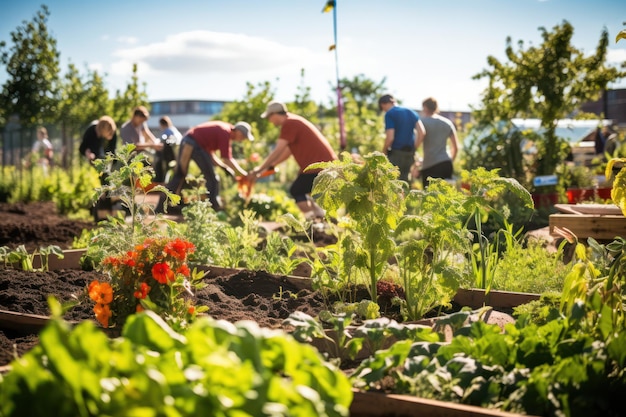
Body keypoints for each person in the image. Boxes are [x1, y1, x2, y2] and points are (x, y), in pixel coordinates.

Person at [248, 101, 338, 220]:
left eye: (269, 117)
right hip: (325, 165)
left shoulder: (289, 123)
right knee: (306, 191)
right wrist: (269, 167)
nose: (270, 121)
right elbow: (287, 153)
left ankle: (312, 222)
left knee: (296, 190)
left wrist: (258, 169)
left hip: (320, 166)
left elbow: (278, 150)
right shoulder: (294, 122)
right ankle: (321, 218)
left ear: (275, 114)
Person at [156, 120, 254, 212]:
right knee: (212, 178)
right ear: (238, 132)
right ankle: (213, 207)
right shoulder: (225, 133)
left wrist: (224, 167)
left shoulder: (224, 129)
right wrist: (244, 174)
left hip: (188, 141)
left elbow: (211, 155)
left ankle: (163, 205)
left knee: (180, 175)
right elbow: (227, 159)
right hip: (193, 143)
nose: (242, 139)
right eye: (243, 137)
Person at [378, 94, 425, 183]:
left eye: (382, 108)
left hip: (396, 154)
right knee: (405, 181)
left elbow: (390, 137)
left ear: (384, 104)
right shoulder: (412, 112)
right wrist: (414, 148)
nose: (384, 110)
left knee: (393, 183)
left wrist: (384, 151)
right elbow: (422, 132)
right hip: (409, 153)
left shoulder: (390, 114)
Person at [415, 97, 459, 189]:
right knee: (446, 197)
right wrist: (450, 161)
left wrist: (415, 164)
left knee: (429, 198)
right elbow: (455, 147)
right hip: (446, 163)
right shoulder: (447, 123)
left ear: (425, 107)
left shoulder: (422, 122)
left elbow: (416, 143)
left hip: (430, 164)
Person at [120, 105, 166, 181]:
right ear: (135, 116)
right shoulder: (126, 128)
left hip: (141, 151)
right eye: (141, 120)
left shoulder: (141, 123)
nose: (142, 122)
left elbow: (147, 134)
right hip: (130, 155)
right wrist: (152, 145)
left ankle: (154, 180)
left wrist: (156, 143)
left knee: (156, 158)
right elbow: (134, 146)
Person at [158, 116, 183, 182]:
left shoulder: (167, 131)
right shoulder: (173, 129)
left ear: (162, 124)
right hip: (179, 154)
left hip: (171, 155)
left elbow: (163, 141)